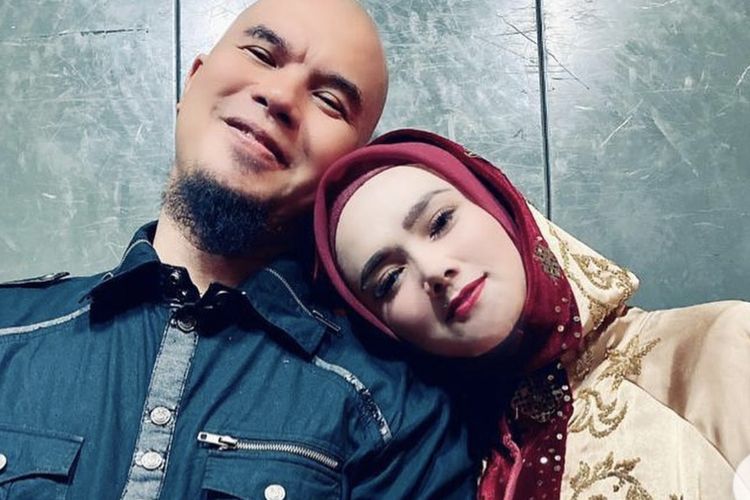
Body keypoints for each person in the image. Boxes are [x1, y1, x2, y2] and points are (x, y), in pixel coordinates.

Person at [0, 2, 480, 498]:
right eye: (261, 54)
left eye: (330, 101)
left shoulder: (399, 416)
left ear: (348, 171)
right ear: (193, 81)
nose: (280, 96)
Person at [314, 128, 750, 499]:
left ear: (502, 208)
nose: (432, 271)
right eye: (390, 280)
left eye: (441, 222)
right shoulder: (455, 469)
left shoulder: (719, 348)